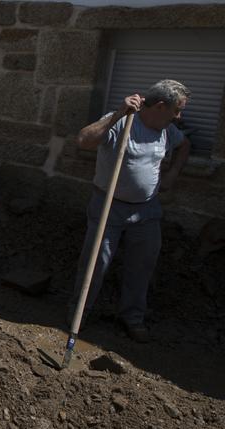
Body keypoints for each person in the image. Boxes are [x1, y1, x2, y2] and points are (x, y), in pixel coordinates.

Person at [70, 79, 191, 343]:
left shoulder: (168, 130)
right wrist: (116, 114)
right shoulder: (124, 122)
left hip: (147, 210)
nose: (179, 117)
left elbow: (185, 147)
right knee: (96, 263)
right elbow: (83, 140)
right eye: (176, 110)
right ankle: (79, 315)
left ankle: (132, 317)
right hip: (109, 206)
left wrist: (172, 175)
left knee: (142, 265)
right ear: (160, 106)